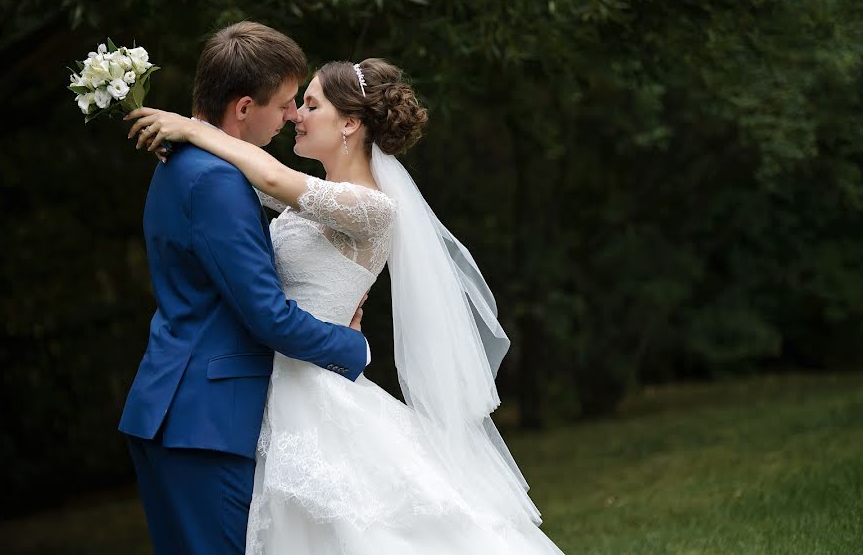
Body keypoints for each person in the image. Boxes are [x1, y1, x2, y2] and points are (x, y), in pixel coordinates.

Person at [126, 57, 565, 554]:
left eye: (310, 105)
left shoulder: (370, 206)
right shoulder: (313, 199)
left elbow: (269, 178)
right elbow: (245, 183)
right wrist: (188, 138)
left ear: (351, 124)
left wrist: (191, 127)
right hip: (274, 384)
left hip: (316, 385)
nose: (296, 116)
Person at [118, 22, 371, 555]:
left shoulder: (183, 161)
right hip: (204, 422)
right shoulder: (215, 180)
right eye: (282, 104)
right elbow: (268, 316)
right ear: (243, 108)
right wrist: (354, 346)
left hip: (179, 411)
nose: (290, 117)